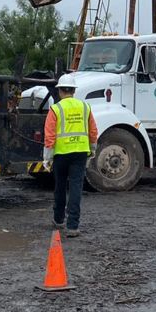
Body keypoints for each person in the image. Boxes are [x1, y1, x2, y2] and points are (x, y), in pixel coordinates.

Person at [43, 73, 98, 238]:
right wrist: (93, 149)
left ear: (60, 91)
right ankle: (73, 226)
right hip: (80, 152)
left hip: (61, 154)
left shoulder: (56, 108)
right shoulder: (85, 107)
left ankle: (59, 220)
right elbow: (93, 131)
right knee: (75, 188)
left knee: (60, 187)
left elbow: (50, 135)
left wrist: (47, 157)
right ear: (74, 91)